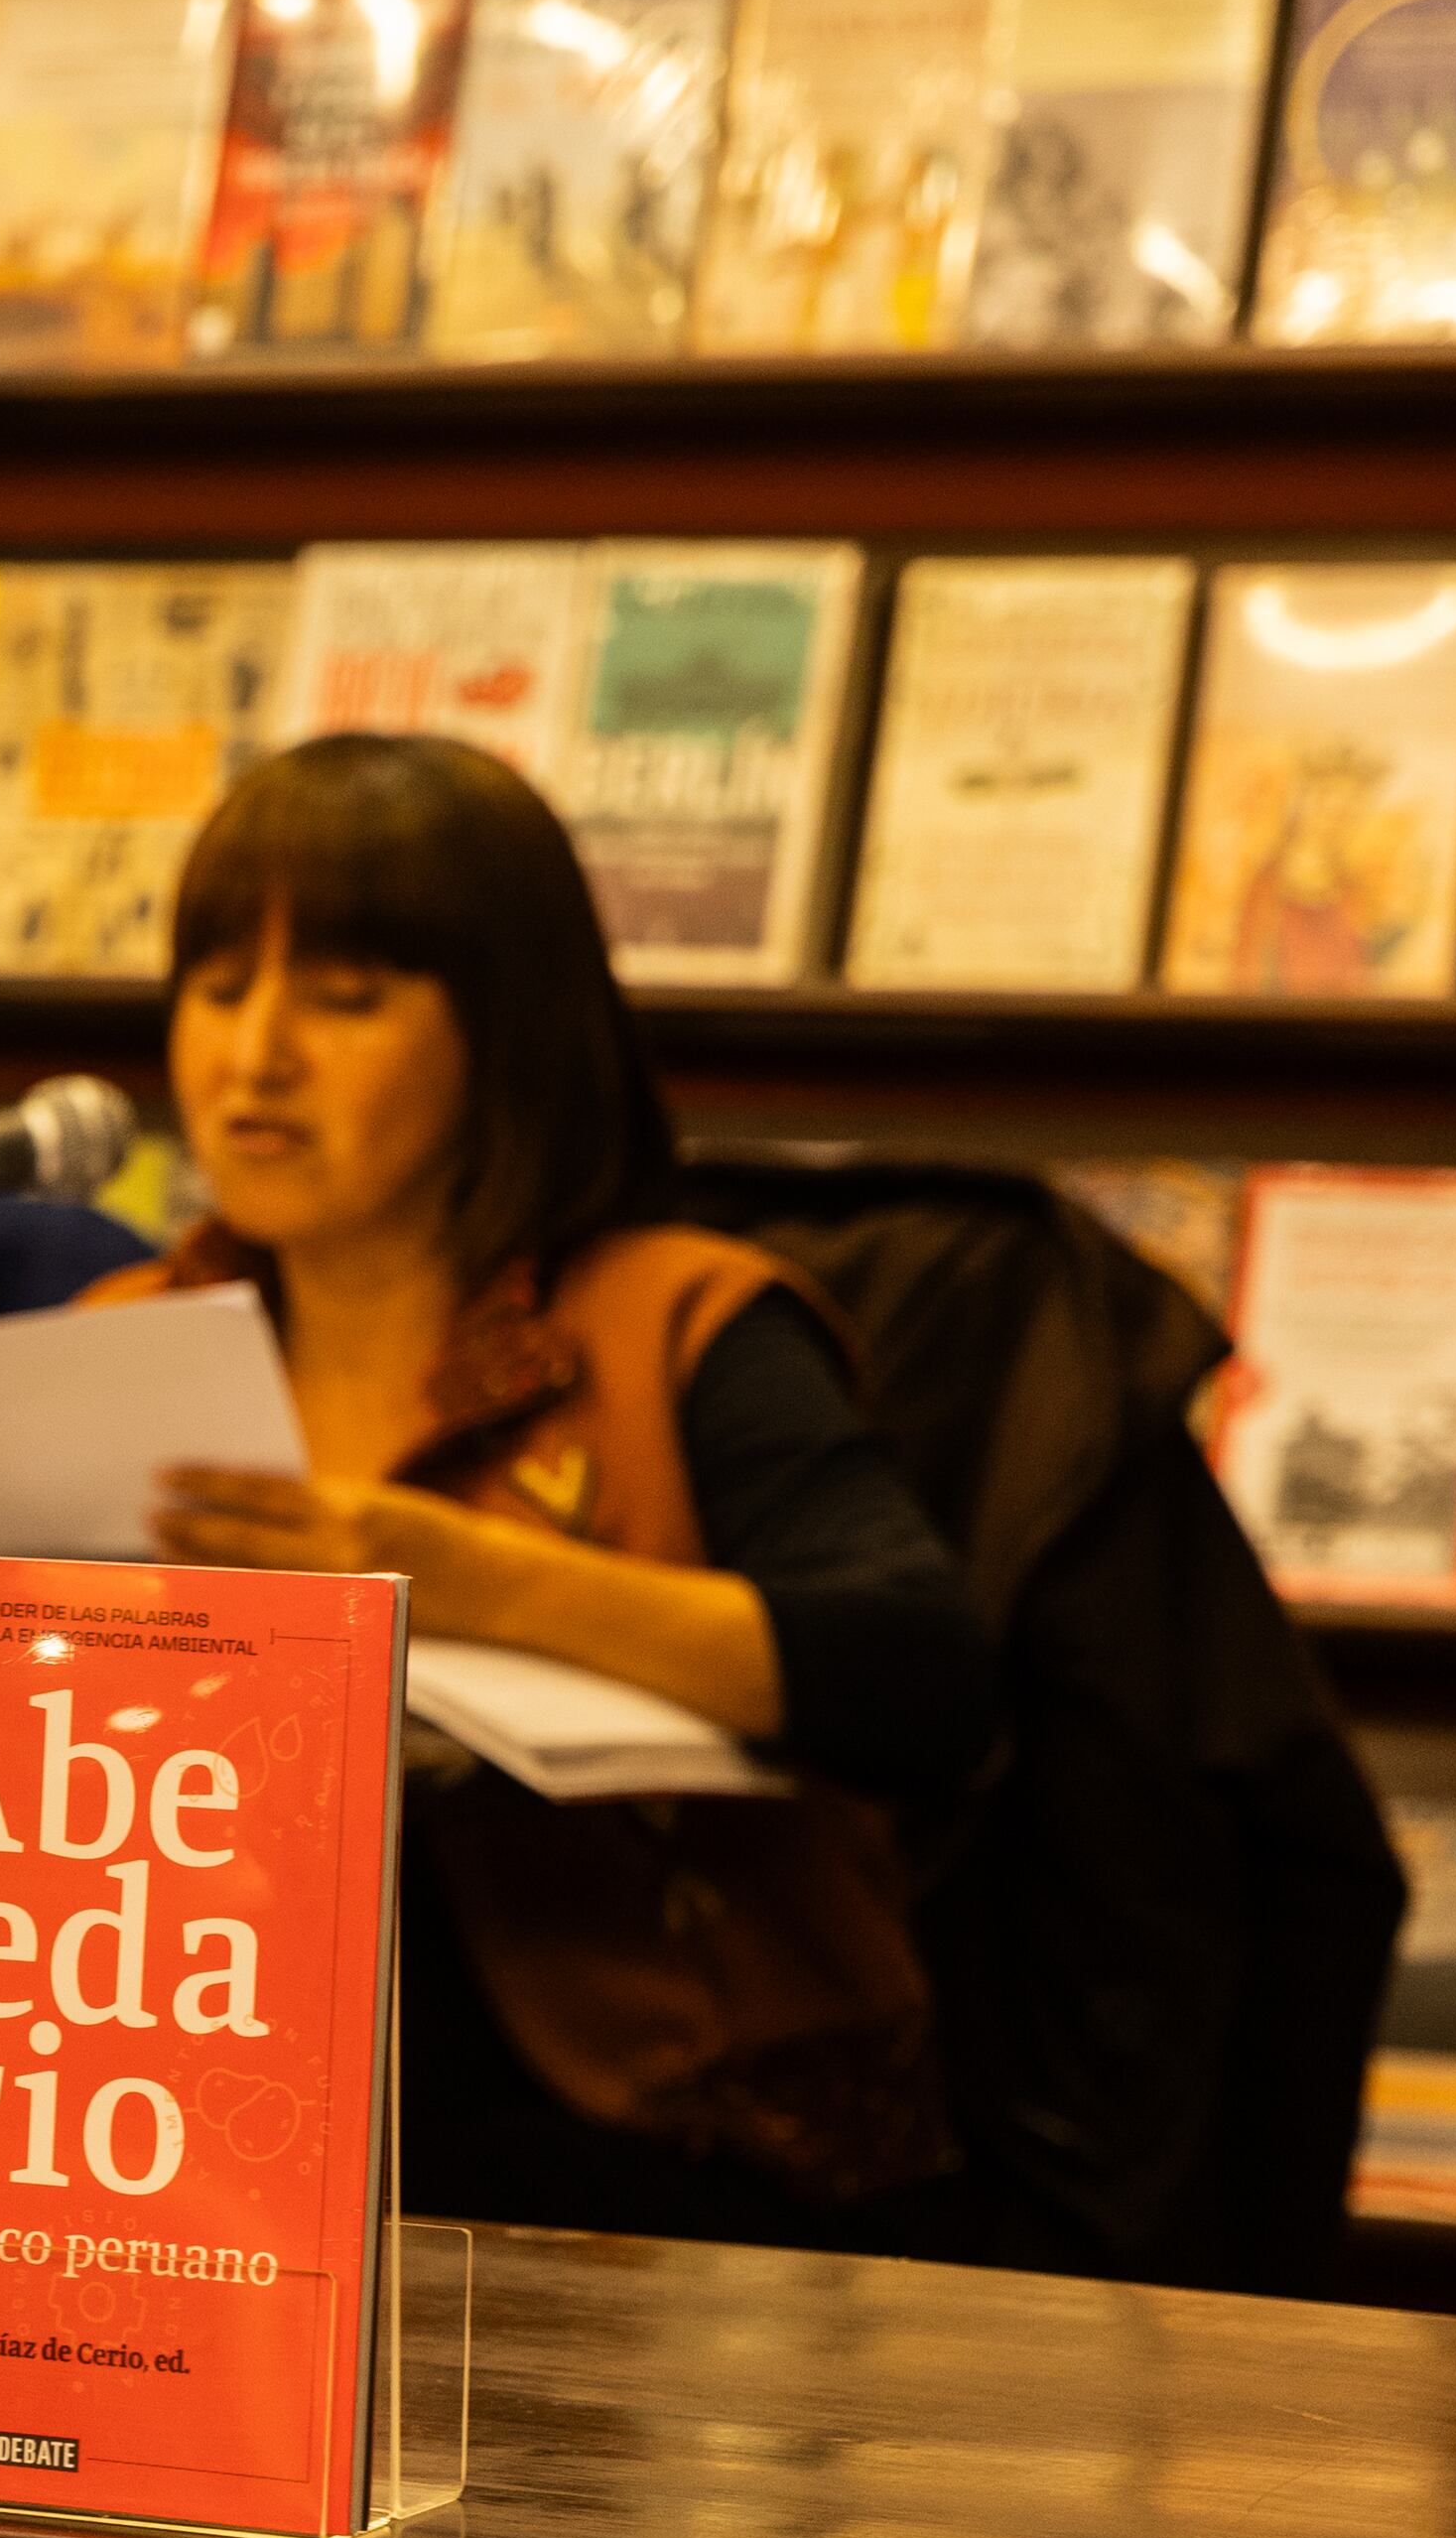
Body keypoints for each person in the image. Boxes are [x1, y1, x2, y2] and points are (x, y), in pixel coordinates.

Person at [104, 733, 1000, 2239]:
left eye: (344, 998)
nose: (254, 1055)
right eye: (216, 987)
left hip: (645, 2149)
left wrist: (472, 1583)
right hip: (171, 2114)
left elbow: (921, 1682)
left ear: (506, 1032)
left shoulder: (679, 1320)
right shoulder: (118, 1344)